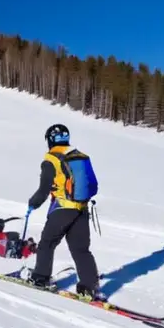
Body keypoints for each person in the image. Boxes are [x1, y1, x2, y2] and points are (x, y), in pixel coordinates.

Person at [26, 124, 102, 300]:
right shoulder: (81, 156)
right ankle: (89, 287)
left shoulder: (51, 159)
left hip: (62, 209)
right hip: (81, 210)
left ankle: (41, 278)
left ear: (50, 140)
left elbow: (44, 190)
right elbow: (94, 186)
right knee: (81, 249)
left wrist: (32, 204)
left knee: (47, 243)